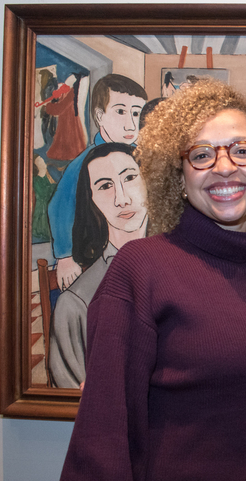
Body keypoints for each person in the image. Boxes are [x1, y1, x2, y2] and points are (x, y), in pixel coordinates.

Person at [53, 79, 246, 481]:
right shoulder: (141, 268)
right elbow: (107, 419)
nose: (224, 167)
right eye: (201, 155)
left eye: (241, 150)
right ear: (179, 174)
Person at [49, 143, 148, 389]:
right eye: (105, 186)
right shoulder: (75, 304)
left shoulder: (187, 270)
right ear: (90, 200)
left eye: (130, 178)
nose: (122, 199)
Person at [48, 74, 147, 290]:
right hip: (92, 257)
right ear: (100, 116)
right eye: (120, 111)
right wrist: (65, 257)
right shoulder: (87, 163)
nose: (130, 123)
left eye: (137, 113)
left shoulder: (142, 158)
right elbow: (59, 206)